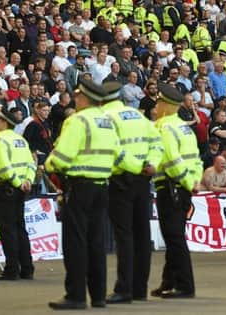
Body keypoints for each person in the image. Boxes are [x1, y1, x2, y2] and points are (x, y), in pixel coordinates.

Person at [46, 80, 133, 310]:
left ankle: (75, 295)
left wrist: (49, 163)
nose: (75, 98)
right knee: (97, 243)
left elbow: (61, 159)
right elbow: (119, 156)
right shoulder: (107, 122)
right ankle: (98, 296)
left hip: (79, 186)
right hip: (102, 186)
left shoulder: (77, 121)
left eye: (78, 95)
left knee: (76, 242)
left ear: (84, 98)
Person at [101, 82, 164, 304]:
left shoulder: (106, 117)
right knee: (141, 234)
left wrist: (131, 167)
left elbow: (111, 148)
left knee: (124, 236)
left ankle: (124, 288)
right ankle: (139, 288)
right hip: (144, 177)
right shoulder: (137, 116)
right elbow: (157, 142)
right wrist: (152, 164)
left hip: (121, 179)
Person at [151, 82, 202, 298]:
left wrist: (185, 181)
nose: (156, 105)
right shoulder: (184, 127)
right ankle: (168, 280)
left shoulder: (163, 127)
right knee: (175, 235)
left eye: (159, 102)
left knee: (174, 237)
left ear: (166, 105)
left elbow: (172, 159)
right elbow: (196, 160)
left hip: (171, 186)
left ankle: (184, 285)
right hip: (184, 187)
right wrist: (194, 181)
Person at [0, 109, 36, 281]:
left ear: (4, 122)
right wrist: (27, 181)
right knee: (20, 228)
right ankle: (27, 268)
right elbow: (31, 164)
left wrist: (16, 182)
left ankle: (12, 269)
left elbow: (2, 167)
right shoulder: (20, 140)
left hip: (7, 188)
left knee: (8, 230)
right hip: (21, 189)